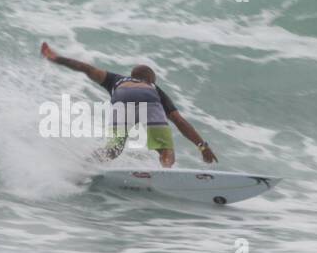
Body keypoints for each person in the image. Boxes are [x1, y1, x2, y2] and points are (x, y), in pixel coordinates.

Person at [40, 41, 218, 167]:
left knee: (113, 149)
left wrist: (56, 58)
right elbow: (180, 121)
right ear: (150, 80)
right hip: (149, 99)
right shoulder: (153, 88)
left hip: (121, 96)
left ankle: (84, 166)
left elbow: (87, 68)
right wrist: (203, 146)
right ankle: (165, 170)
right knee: (165, 150)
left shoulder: (115, 79)